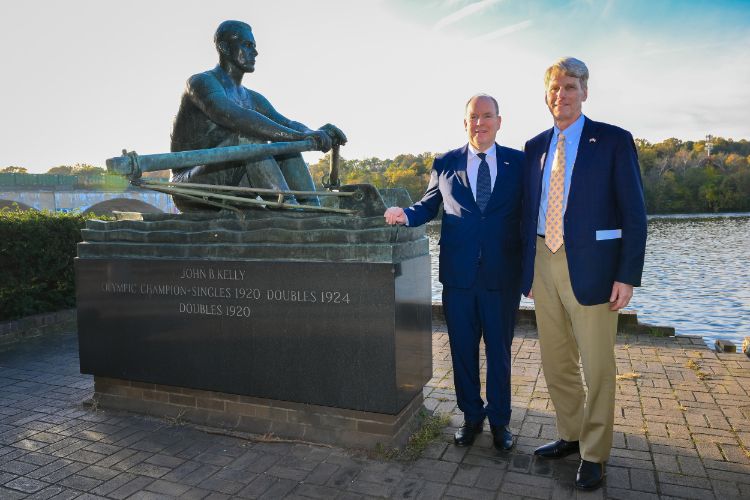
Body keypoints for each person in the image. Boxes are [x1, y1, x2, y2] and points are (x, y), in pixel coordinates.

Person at [521, 57, 647, 490]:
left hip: (594, 266)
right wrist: (526, 274)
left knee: (597, 367)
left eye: (570, 87)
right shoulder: (534, 146)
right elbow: (526, 213)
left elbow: (634, 212)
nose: (562, 95)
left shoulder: (612, 140)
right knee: (556, 362)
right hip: (542, 259)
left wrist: (627, 275)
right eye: (555, 88)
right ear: (547, 94)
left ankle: (594, 452)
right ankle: (570, 434)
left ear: (585, 92)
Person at [384, 94, 523, 450]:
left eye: (487, 116)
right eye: (473, 117)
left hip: (501, 277)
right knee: (462, 351)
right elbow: (428, 204)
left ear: (499, 121)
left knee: (499, 353)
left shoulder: (519, 163)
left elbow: (530, 217)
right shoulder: (445, 163)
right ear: (465, 123)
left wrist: (531, 272)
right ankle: (471, 417)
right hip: (458, 278)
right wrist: (406, 214)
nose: (480, 123)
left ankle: (500, 423)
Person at [169, 20, 346, 211]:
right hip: (189, 186)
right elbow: (233, 117)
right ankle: (289, 210)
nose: (255, 52)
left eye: (254, 46)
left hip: (231, 183)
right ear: (224, 47)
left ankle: (312, 210)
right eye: (247, 45)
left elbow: (286, 123)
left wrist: (314, 133)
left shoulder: (253, 98)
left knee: (285, 146)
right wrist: (299, 136)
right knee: (250, 138)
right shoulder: (201, 82)